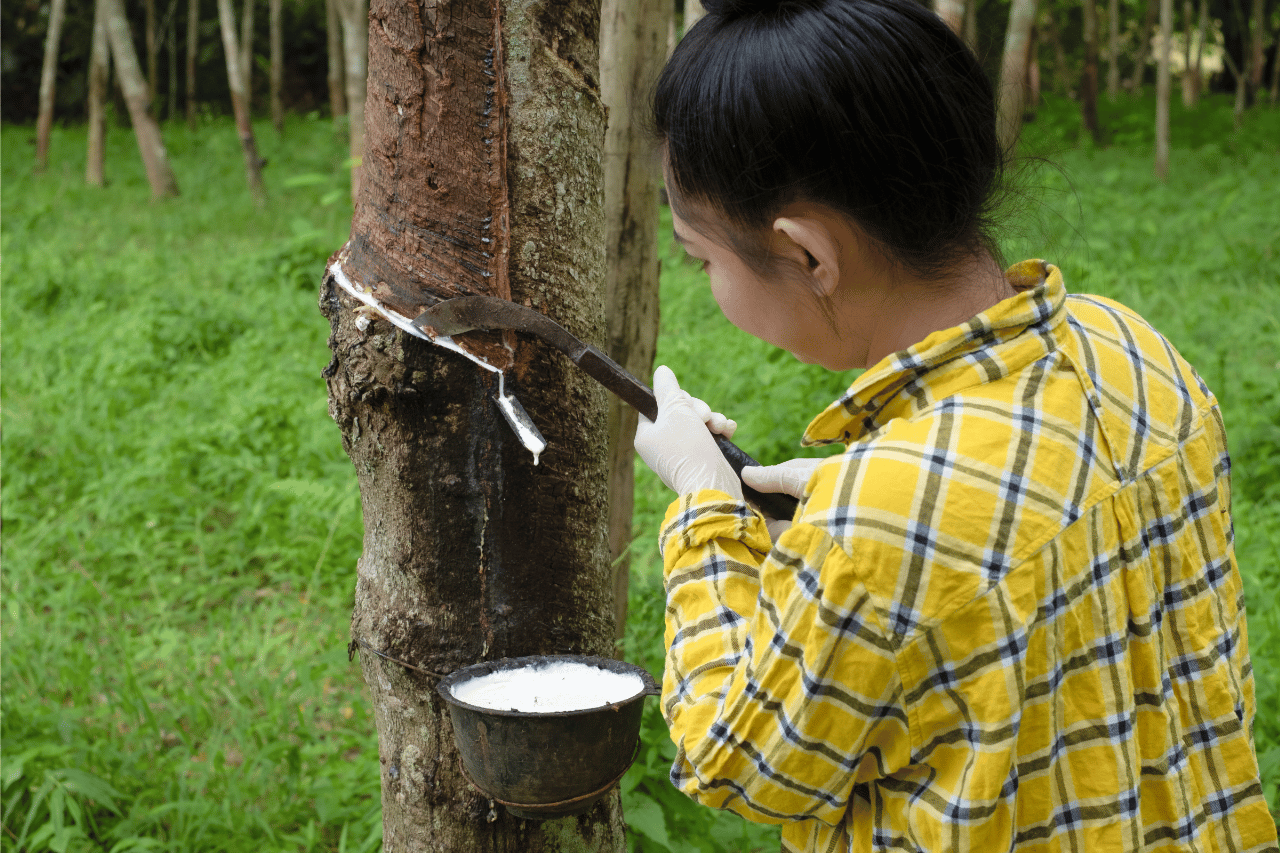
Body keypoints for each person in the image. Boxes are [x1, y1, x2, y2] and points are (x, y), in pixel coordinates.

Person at [632, 1, 1279, 851]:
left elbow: (738, 759)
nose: (707, 280)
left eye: (702, 255)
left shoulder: (875, 525)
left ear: (807, 254)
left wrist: (707, 509)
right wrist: (860, 500)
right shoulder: (1131, 345)